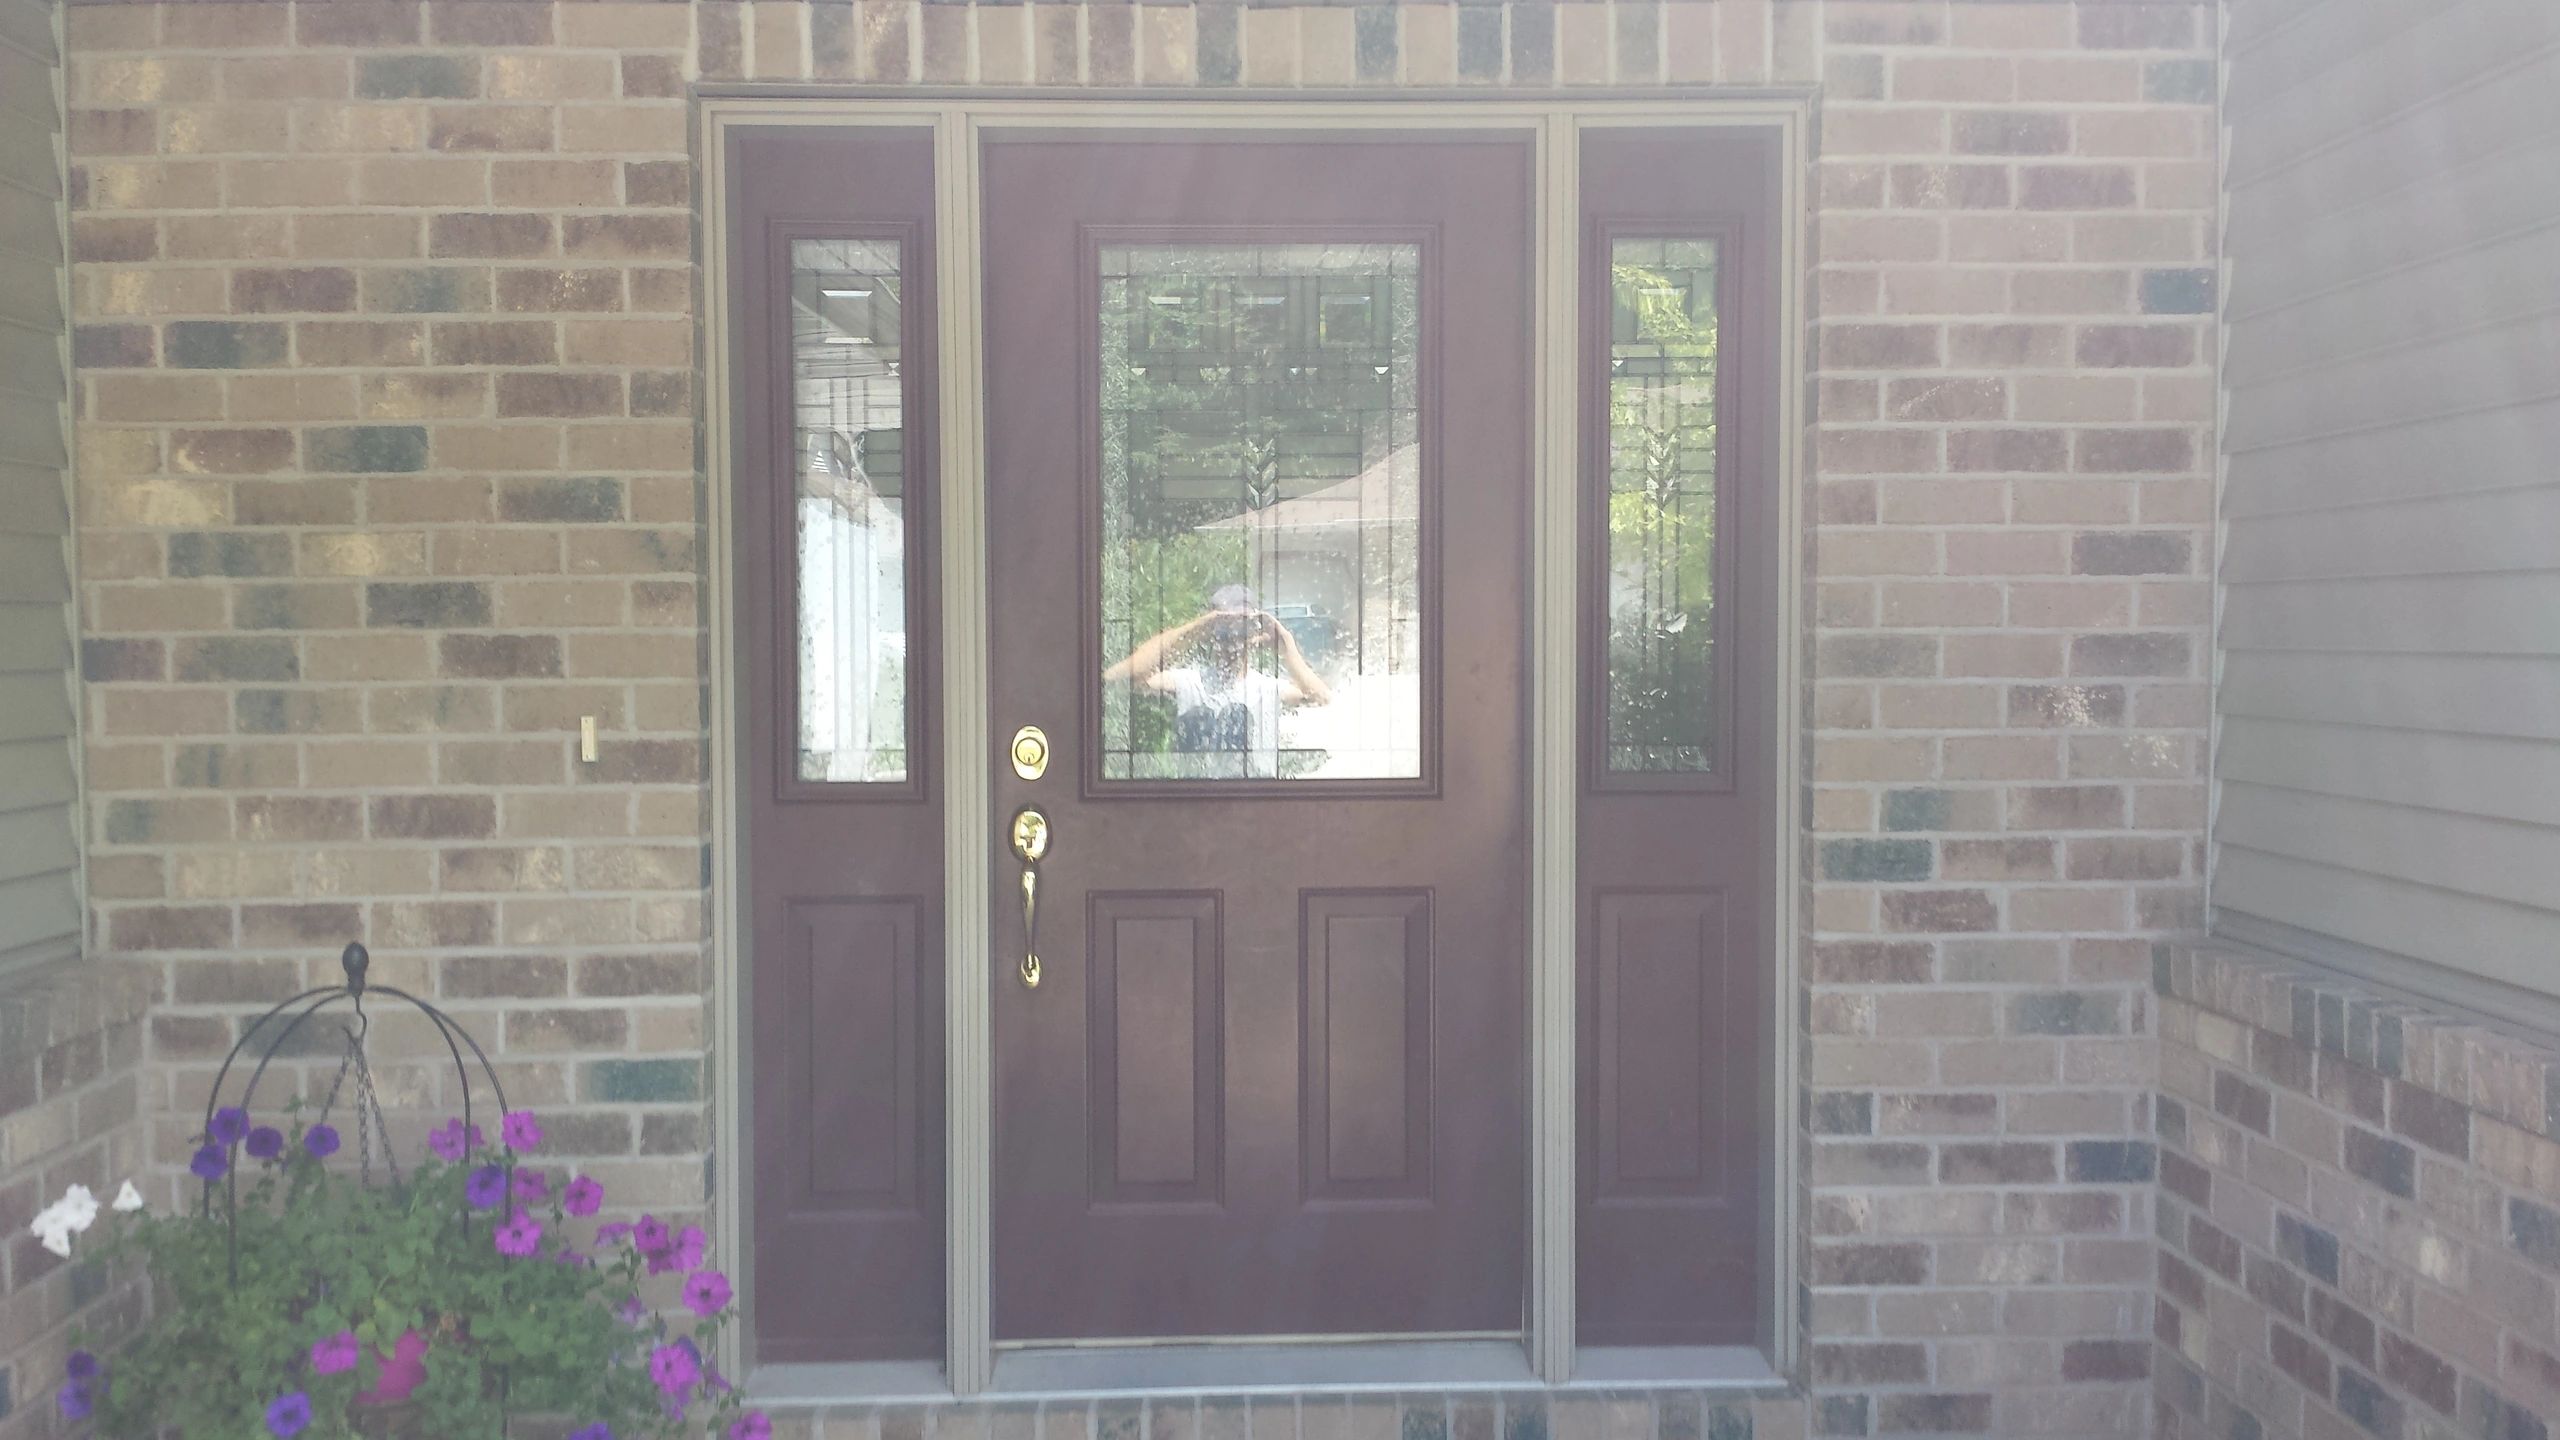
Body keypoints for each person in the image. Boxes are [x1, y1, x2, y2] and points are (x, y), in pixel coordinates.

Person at [1103, 584, 1333, 778]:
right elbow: (1120, 677)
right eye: (1223, 632)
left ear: (1254, 635)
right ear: (1212, 634)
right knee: (1202, 716)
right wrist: (1195, 629)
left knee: (1237, 715)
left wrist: (1286, 646)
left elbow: (1321, 699)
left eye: (1240, 632)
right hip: (1199, 800)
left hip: (1255, 801)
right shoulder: (1191, 681)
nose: (1232, 641)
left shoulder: (1267, 688)